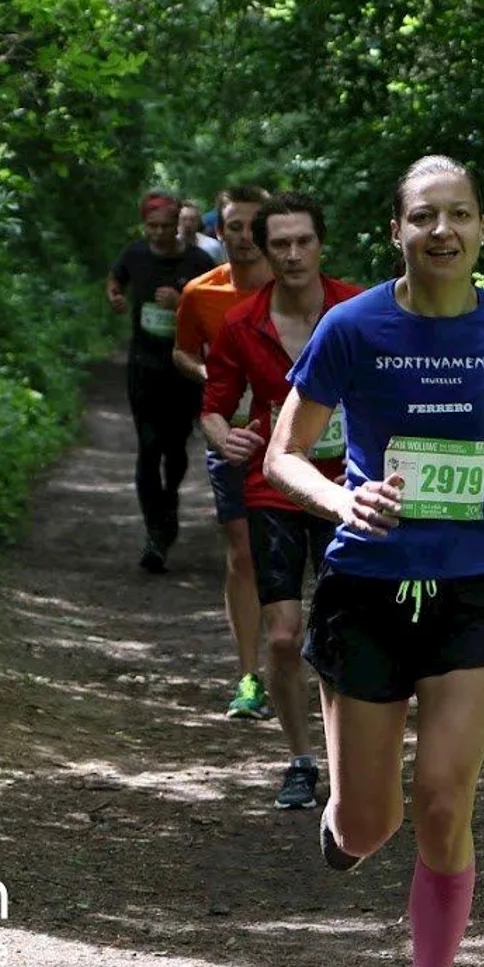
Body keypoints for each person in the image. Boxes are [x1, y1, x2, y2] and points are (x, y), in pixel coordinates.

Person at [264, 156, 484, 967]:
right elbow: (286, 452)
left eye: (461, 217)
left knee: (445, 799)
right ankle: (342, 826)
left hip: (474, 582)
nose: (444, 232)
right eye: (425, 218)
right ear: (395, 231)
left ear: (482, 229)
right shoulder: (353, 328)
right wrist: (336, 502)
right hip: (366, 585)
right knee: (372, 824)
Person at [202, 192, 362, 809]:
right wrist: (227, 435)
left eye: (303, 242)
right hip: (276, 484)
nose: (293, 255)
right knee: (283, 638)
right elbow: (214, 407)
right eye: (280, 245)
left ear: (321, 244)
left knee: (350, 629)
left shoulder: (360, 309)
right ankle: (301, 760)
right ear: (261, 251)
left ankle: (356, 757)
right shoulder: (242, 323)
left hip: (353, 488)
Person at [174, 184, 274, 717]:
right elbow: (182, 352)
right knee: (242, 549)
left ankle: (317, 659)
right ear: (219, 230)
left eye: (256, 225)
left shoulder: (295, 287)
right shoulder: (200, 293)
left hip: (297, 437)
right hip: (230, 433)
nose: (245, 237)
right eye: (235, 226)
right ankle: (248, 675)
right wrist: (213, 371)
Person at [108, 192, 217, 572]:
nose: (157, 233)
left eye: (164, 226)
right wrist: (116, 297)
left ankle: (169, 499)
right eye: (151, 226)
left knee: (175, 448)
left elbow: (212, 315)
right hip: (143, 366)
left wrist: (182, 303)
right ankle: (156, 531)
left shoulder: (199, 261)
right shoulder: (135, 254)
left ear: (178, 226)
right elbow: (116, 278)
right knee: (148, 446)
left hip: (183, 369)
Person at [179, 197, 227, 265]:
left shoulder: (213, 246)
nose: (188, 224)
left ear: (198, 221)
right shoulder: (169, 246)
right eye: (184, 219)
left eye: (192, 220)